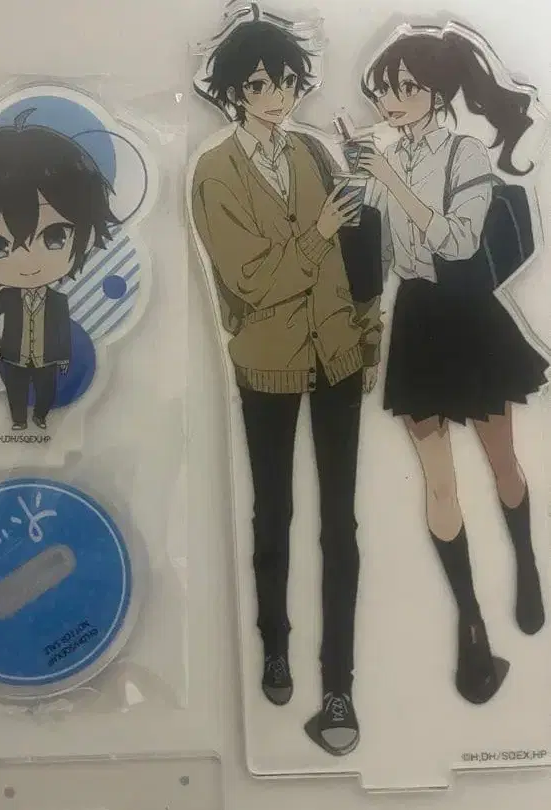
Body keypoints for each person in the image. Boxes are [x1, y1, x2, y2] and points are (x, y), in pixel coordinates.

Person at [190, 18, 382, 756]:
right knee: (273, 512)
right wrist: (321, 230)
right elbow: (252, 281)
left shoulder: (313, 152)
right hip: (266, 358)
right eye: (261, 84)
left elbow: (357, 256)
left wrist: (368, 334)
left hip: (337, 353)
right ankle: (275, 644)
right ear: (234, 92)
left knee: (342, 521)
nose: (278, 96)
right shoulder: (214, 171)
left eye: (288, 82)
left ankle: (340, 685)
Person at [359, 26, 548, 705]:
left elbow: (460, 241)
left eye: (407, 88)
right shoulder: (385, 160)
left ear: (436, 94)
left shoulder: (463, 152)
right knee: (438, 483)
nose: (392, 100)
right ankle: (470, 624)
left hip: (468, 315)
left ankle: (526, 562)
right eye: (386, 89)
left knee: (501, 460)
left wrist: (391, 183)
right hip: (416, 318)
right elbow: (384, 259)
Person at [0, 114, 118, 430]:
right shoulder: (6, 298)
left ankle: (41, 418)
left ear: (83, 238)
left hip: (47, 360)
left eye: (55, 237)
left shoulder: (57, 301)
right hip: (13, 358)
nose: (28, 260)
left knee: (45, 392)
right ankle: (18, 421)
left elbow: (61, 331)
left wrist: (63, 358)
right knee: (16, 393)